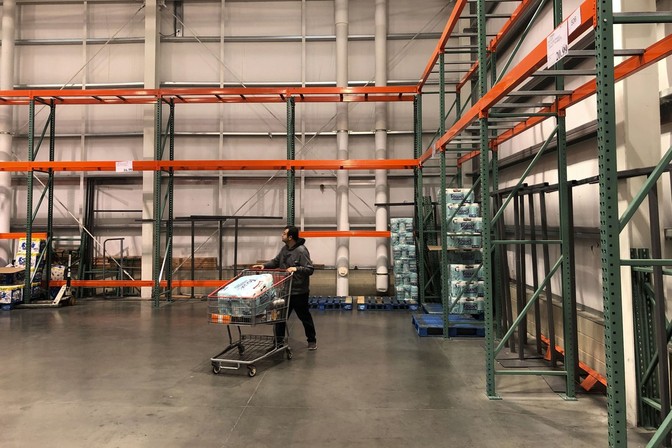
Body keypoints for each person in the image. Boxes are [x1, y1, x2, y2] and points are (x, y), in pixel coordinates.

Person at [253, 226, 317, 350]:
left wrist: (296, 268)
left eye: (284, 233)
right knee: (280, 317)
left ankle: (312, 340)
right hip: (286, 291)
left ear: (290, 237)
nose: (281, 235)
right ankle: (279, 343)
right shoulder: (284, 249)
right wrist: (264, 266)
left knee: (304, 317)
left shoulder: (301, 251)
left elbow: (310, 269)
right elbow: (276, 261)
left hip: (299, 292)